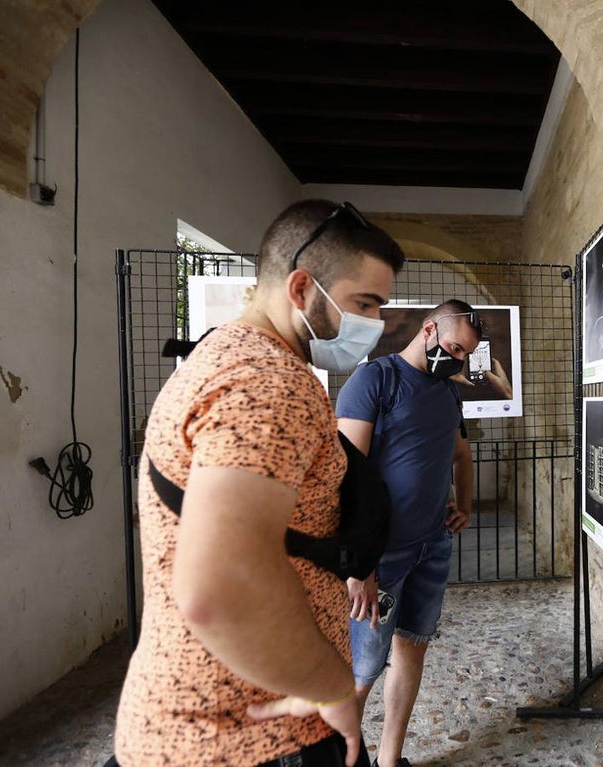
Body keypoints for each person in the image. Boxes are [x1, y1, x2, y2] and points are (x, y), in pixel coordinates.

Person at [112, 199, 404, 767]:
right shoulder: (269, 383)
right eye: (364, 303)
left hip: (223, 716)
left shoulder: (227, 356)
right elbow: (222, 588)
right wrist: (332, 686)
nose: (374, 322)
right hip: (253, 735)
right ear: (301, 289)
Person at [335, 301, 482, 767]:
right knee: (363, 671)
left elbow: (460, 454)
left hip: (432, 545)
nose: (457, 360)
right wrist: (359, 564)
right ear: (429, 329)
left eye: (466, 355)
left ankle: (389, 760)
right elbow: (346, 477)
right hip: (382, 554)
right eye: (455, 347)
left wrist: (465, 504)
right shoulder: (374, 381)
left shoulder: (448, 393)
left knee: (412, 649)